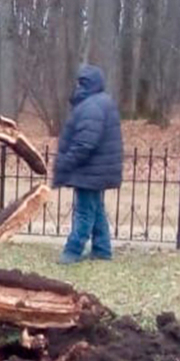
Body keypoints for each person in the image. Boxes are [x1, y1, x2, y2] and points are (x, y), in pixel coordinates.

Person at [52, 64, 124, 264]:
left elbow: (85, 143)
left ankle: (72, 251)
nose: (76, 86)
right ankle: (102, 249)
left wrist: (66, 162)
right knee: (96, 209)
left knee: (84, 212)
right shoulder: (99, 103)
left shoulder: (91, 106)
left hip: (90, 171)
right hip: (95, 170)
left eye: (80, 82)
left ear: (86, 84)